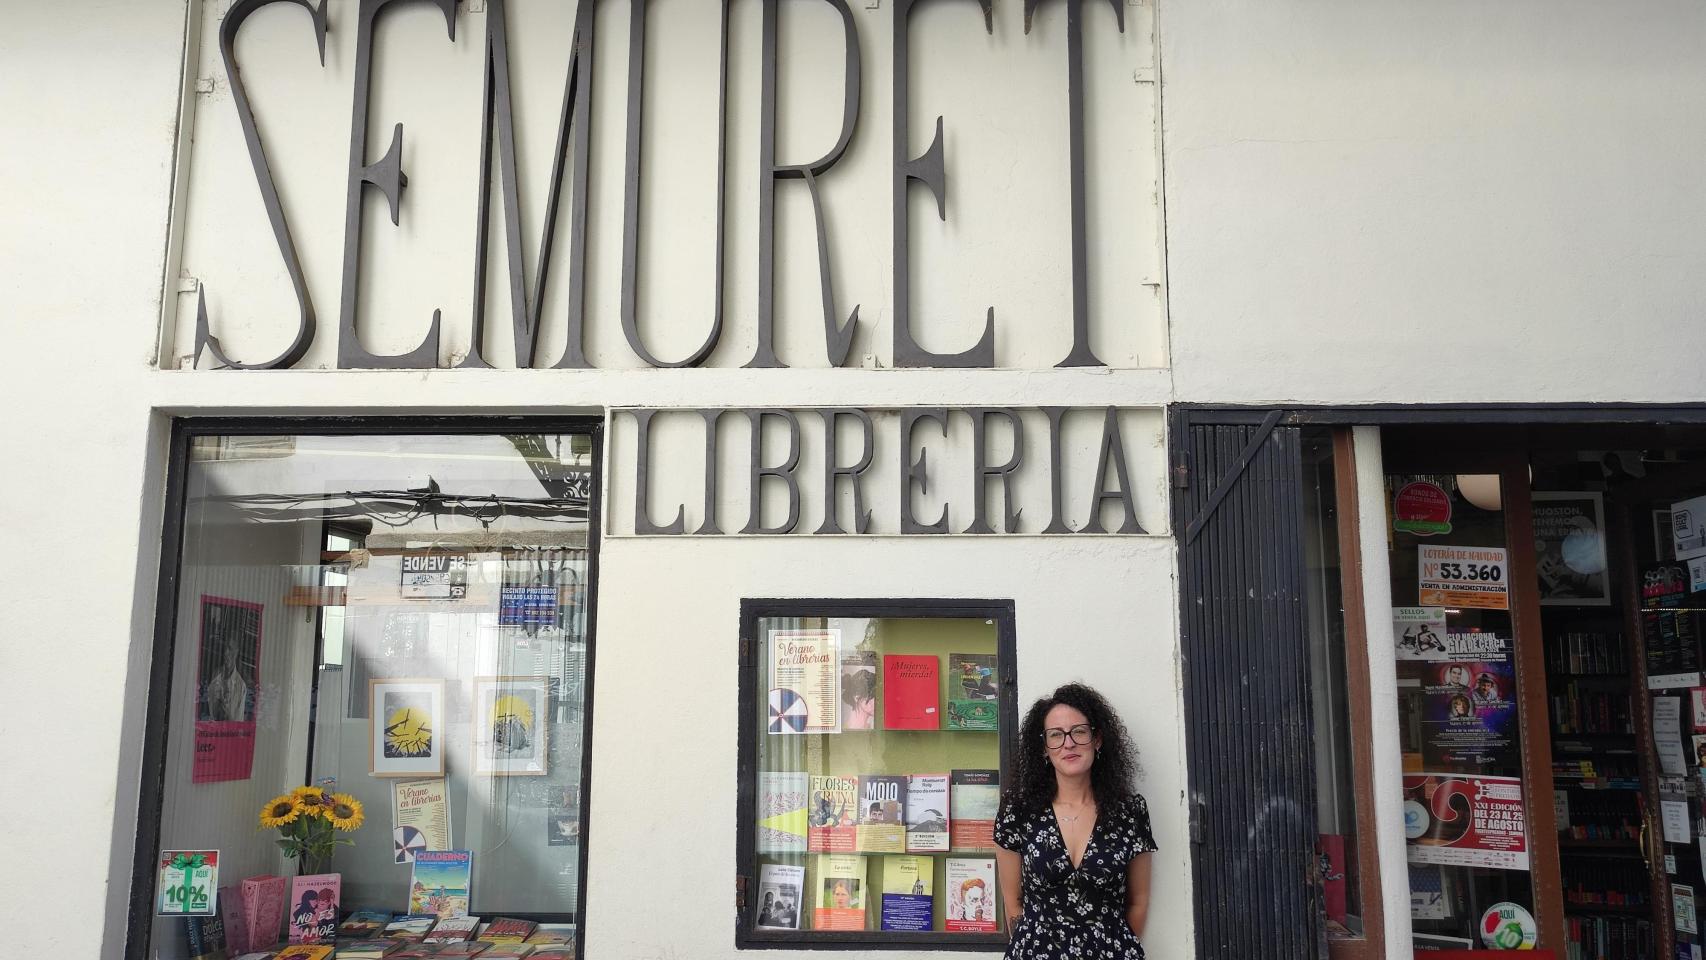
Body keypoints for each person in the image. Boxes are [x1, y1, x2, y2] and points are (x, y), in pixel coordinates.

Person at [995, 682, 1156, 959]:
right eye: (1056, 735)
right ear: (1044, 748)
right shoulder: (1018, 812)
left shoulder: (1129, 812)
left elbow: (1138, 902)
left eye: (1079, 732)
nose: (1068, 743)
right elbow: (1013, 903)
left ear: (1098, 739)